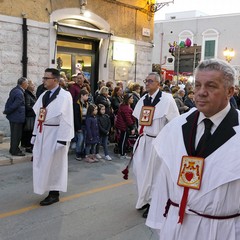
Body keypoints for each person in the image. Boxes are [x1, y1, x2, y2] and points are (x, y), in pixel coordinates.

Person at [146, 59, 239, 240]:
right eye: (197, 85)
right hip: (176, 226)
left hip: (222, 230)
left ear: (230, 91)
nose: (201, 92)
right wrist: (159, 224)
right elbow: (163, 180)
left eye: (211, 86)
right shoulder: (176, 127)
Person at [132, 72, 179, 218]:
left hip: (158, 142)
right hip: (144, 141)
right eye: (146, 81)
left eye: (150, 81)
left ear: (158, 83)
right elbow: (138, 120)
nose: (146, 83)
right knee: (140, 172)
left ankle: (153, 203)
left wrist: (169, 143)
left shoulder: (167, 99)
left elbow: (174, 123)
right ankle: (143, 199)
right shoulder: (142, 99)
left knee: (154, 175)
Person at [31, 68, 74, 206]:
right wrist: (35, 134)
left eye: (46, 78)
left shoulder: (65, 95)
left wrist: (62, 139)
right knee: (43, 163)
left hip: (56, 134)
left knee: (55, 164)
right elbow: (39, 116)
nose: (43, 80)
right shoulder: (44, 94)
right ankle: (44, 187)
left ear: (55, 80)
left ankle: (54, 193)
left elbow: (67, 118)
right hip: (44, 132)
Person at [3, 77, 29, 156]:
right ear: (23, 84)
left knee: (15, 135)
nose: (27, 85)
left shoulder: (15, 90)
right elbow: (15, 105)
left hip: (14, 117)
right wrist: (7, 111)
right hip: (17, 117)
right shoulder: (19, 92)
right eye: (27, 83)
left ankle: (13, 149)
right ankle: (15, 151)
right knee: (16, 135)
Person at [115, 93, 136, 159]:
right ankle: (122, 154)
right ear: (128, 99)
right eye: (131, 98)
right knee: (123, 140)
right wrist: (132, 127)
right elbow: (128, 119)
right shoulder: (126, 108)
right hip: (124, 127)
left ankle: (121, 152)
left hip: (122, 126)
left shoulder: (123, 106)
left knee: (122, 139)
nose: (133, 99)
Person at [73, 89, 89, 161]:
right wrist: (78, 127)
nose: (87, 97)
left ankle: (83, 152)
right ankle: (78, 153)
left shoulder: (86, 104)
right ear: (82, 96)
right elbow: (76, 117)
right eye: (86, 95)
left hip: (85, 124)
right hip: (79, 124)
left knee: (84, 139)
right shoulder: (76, 104)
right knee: (80, 139)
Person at [21, 79, 37, 153]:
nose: (34, 86)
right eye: (32, 85)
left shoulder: (31, 93)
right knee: (29, 132)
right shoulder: (27, 94)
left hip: (32, 116)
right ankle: (28, 147)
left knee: (30, 132)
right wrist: (36, 108)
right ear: (29, 86)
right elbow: (27, 106)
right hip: (29, 116)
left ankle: (29, 146)